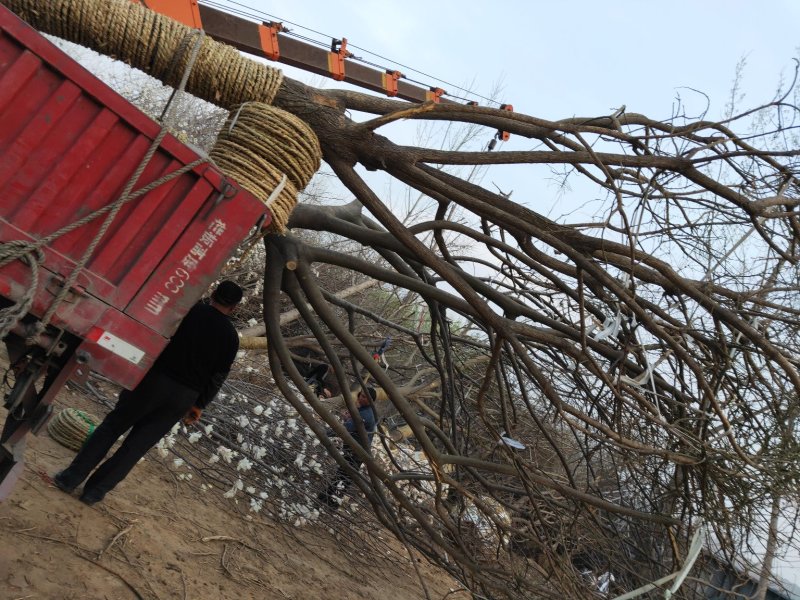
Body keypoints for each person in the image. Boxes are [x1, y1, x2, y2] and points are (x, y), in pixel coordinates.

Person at [53, 280, 243, 505]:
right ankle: (94, 493)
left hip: (153, 381)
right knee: (136, 447)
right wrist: (199, 406)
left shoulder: (188, 312)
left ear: (213, 292)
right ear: (234, 307)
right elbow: (217, 377)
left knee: (111, 428)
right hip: (183, 397)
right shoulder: (231, 338)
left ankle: (69, 479)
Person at [318, 386, 378, 509]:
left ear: (371, 400)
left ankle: (332, 502)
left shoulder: (366, 414)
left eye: (365, 397)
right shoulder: (363, 410)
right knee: (342, 474)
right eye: (361, 395)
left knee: (345, 477)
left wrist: (325, 433)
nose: (361, 398)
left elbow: (346, 429)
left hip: (357, 451)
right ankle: (326, 497)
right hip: (353, 448)